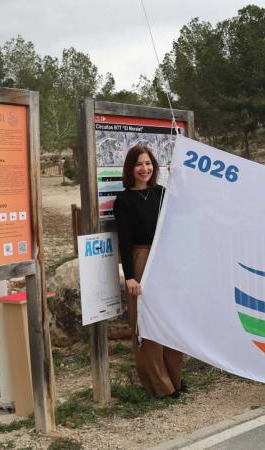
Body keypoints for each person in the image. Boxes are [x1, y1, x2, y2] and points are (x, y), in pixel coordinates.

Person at [113, 145, 183, 398]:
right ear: (130, 168)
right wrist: (130, 276)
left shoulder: (161, 193)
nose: (144, 169)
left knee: (169, 318)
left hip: (164, 258)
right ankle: (159, 383)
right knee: (145, 320)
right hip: (141, 258)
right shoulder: (124, 201)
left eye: (148, 163)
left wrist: (179, 177)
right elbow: (124, 240)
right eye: (139, 164)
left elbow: (181, 216)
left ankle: (175, 377)